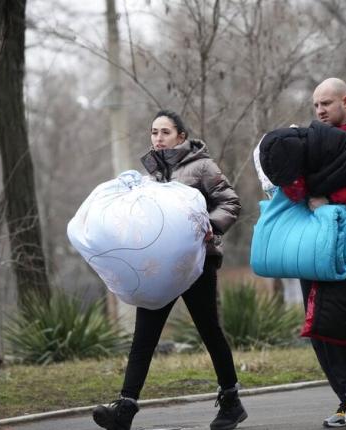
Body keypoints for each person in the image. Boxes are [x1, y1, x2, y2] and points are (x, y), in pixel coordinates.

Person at [258, 78, 346, 428]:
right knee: (320, 324)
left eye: (326, 104)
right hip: (320, 245)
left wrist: (331, 198)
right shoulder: (313, 143)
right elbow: (297, 187)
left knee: (339, 322)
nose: (320, 111)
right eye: (315, 106)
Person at [92, 110, 247, 430]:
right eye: (153, 132)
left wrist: (211, 226)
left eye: (165, 132)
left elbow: (230, 202)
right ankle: (125, 407)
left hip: (196, 264)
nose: (158, 138)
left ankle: (231, 401)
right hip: (158, 268)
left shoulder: (202, 166)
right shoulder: (148, 178)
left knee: (209, 330)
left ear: (181, 136)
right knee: (144, 335)